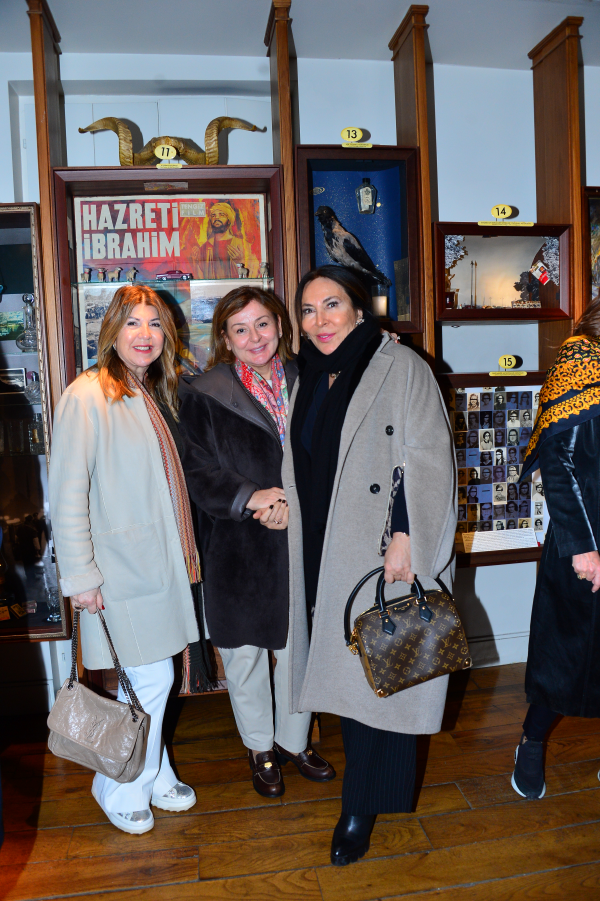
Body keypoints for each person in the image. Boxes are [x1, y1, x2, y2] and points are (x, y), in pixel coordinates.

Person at [286, 265, 456, 867]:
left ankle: (360, 808)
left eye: (331, 305)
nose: (319, 321)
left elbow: (427, 458)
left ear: (360, 309)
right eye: (308, 310)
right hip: (321, 546)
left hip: (378, 546)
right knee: (352, 675)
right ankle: (367, 793)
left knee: (381, 675)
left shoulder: (401, 366)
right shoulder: (310, 374)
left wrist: (408, 538)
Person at [48, 285, 202, 835]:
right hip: (118, 570)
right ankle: (119, 785)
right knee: (153, 678)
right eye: (133, 322)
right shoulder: (87, 394)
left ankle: (154, 773)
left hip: (154, 565)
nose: (145, 334)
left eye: (155, 324)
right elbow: (67, 493)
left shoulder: (148, 390)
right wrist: (81, 577)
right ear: (111, 331)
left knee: (153, 678)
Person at [178, 286, 334, 799]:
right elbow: (198, 470)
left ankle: (294, 741)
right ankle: (260, 747)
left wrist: (295, 503)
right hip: (237, 544)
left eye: (262, 324)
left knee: (299, 648)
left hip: (304, 537)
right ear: (225, 339)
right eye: (240, 329)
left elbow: (332, 452)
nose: (254, 338)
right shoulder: (203, 392)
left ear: (280, 326)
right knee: (243, 654)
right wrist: (253, 499)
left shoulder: (311, 377)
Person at [512, 302, 600, 800]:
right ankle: (531, 741)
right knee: (565, 653)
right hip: (586, 534)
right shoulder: (579, 363)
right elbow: (558, 464)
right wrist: (583, 546)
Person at [191, 202, 257, 279]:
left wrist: (240, 261)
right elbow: (200, 278)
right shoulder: (205, 247)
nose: (216, 218)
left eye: (221, 215)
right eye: (213, 215)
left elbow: (253, 273)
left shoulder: (242, 244)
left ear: (229, 220)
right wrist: (195, 261)